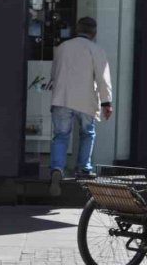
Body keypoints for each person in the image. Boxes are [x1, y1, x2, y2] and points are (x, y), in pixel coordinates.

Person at [48, 17, 113, 197]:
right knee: (87, 134)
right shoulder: (96, 50)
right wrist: (106, 102)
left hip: (62, 98)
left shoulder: (62, 47)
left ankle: (57, 169)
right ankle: (84, 168)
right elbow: (102, 78)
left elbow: (54, 73)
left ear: (77, 30)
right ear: (94, 33)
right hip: (85, 100)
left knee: (61, 136)